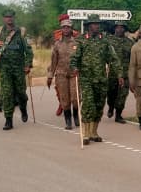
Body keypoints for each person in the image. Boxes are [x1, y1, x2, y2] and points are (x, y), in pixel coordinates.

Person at [70, 14, 123, 145]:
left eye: (98, 24)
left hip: (101, 79)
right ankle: (86, 134)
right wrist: (74, 67)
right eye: (94, 24)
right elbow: (74, 58)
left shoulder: (104, 41)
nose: (96, 26)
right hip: (87, 78)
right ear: (88, 26)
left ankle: (94, 132)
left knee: (99, 105)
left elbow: (113, 59)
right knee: (88, 105)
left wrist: (119, 74)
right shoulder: (81, 40)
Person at [0, 9, 33, 130]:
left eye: (11, 17)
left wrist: (28, 65)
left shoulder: (21, 32)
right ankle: (8, 120)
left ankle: (23, 108)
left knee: (21, 93)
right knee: (7, 94)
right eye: (7, 17)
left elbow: (29, 51)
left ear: (14, 18)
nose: (9, 19)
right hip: (5, 68)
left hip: (19, 68)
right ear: (3, 18)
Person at [48, 18, 79, 130]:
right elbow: (53, 61)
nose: (66, 29)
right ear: (61, 29)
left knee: (75, 98)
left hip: (74, 74)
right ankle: (68, 120)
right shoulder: (57, 44)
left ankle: (76, 116)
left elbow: (80, 58)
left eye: (68, 27)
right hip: (61, 75)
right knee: (64, 99)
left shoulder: (77, 43)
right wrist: (50, 76)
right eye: (64, 27)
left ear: (71, 29)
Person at [106, 20, 133, 122]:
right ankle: (111, 107)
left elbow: (132, 58)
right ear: (114, 28)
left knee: (122, 95)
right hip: (112, 73)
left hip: (125, 73)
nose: (119, 29)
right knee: (111, 93)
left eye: (122, 27)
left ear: (124, 29)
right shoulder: (108, 40)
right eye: (117, 27)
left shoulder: (129, 43)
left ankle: (118, 115)